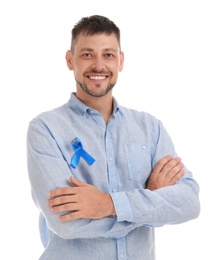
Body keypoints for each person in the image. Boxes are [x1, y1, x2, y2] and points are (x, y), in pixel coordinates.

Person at [27, 15, 200, 260]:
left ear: (120, 61)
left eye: (108, 54)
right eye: (87, 54)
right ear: (69, 60)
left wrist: (108, 204)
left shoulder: (150, 128)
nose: (99, 65)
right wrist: (150, 205)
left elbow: (189, 203)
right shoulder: (45, 129)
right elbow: (66, 223)